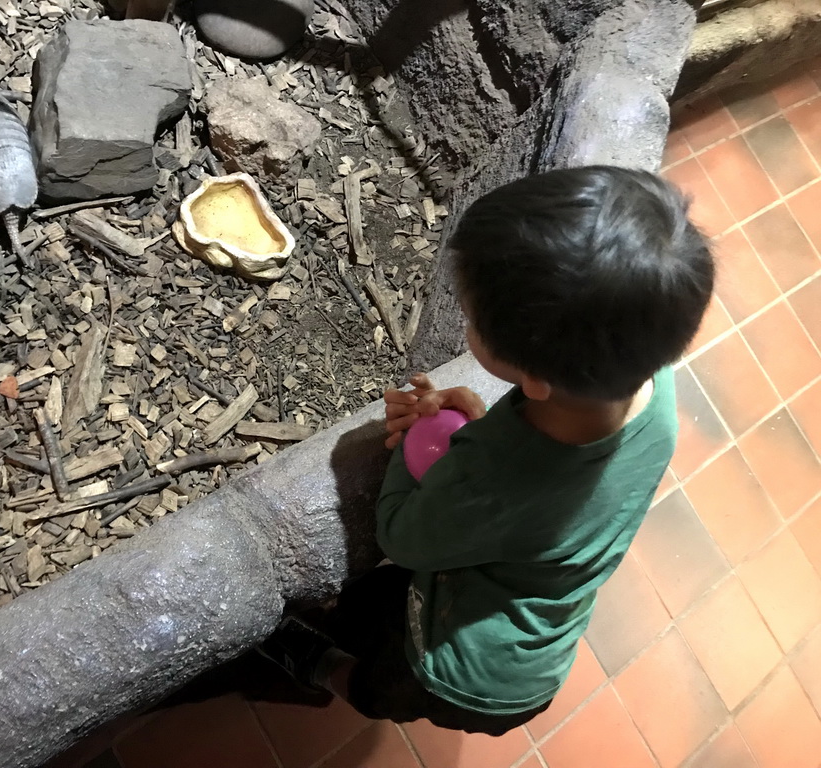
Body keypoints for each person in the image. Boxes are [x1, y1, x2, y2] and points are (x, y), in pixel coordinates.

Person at [257, 165, 715, 735]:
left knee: (377, 687)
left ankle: (320, 668)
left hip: (459, 672)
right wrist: (482, 420)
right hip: (537, 637)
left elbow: (402, 535)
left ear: (537, 379)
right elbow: (536, 476)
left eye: (471, 319)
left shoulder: (493, 475)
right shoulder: (652, 382)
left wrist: (411, 442)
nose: (466, 320)